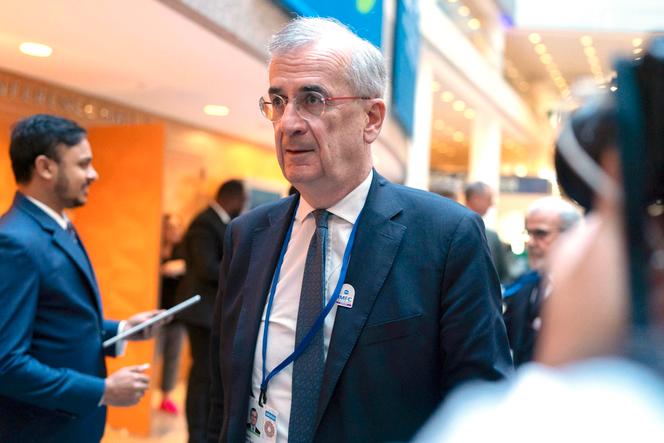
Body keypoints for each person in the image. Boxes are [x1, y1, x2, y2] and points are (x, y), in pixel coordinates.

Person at [208, 17, 512, 443]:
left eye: (313, 99)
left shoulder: (445, 236)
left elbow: (481, 403)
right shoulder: (247, 235)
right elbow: (222, 392)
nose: (288, 123)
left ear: (371, 118)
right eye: (278, 101)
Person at [0, 114, 168, 443]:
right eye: (83, 164)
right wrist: (102, 391)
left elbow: (54, 322)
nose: (94, 174)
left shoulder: (57, 225)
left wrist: (122, 330)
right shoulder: (15, 241)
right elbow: (6, 363)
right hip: (40, 430)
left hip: (70, 425)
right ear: (46, 168)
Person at [175, 179, 246, 443]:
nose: (243, 206)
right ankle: (197, 434)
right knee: (202, 377)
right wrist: (241, 271)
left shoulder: (220, 221)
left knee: (207, 375)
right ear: (233, 198)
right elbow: (207, 267)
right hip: (199, 311)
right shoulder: (205, 223)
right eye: (242, 200)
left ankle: (204, 432)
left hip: (209, 312)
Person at [502, 197, 580, 366]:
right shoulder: (524, 288)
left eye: (541, 233)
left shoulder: (590, 293)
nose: (530, 242)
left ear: (571, 234)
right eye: (528, 233)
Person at [156, 213, 186, 415]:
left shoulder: (183, 251)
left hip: (177, 315)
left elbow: (190, 267)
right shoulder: (154, 250)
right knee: (153, 354)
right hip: (155, 315)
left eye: (177, 227)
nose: (174, 231)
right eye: (170, 227)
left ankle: (166, 396)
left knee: (172, 357)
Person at [465, 181, 509, 282]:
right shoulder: (490, 237)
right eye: (489, 199)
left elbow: (502, 274)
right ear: (475, 199)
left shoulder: (491, 236)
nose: (491, 204)